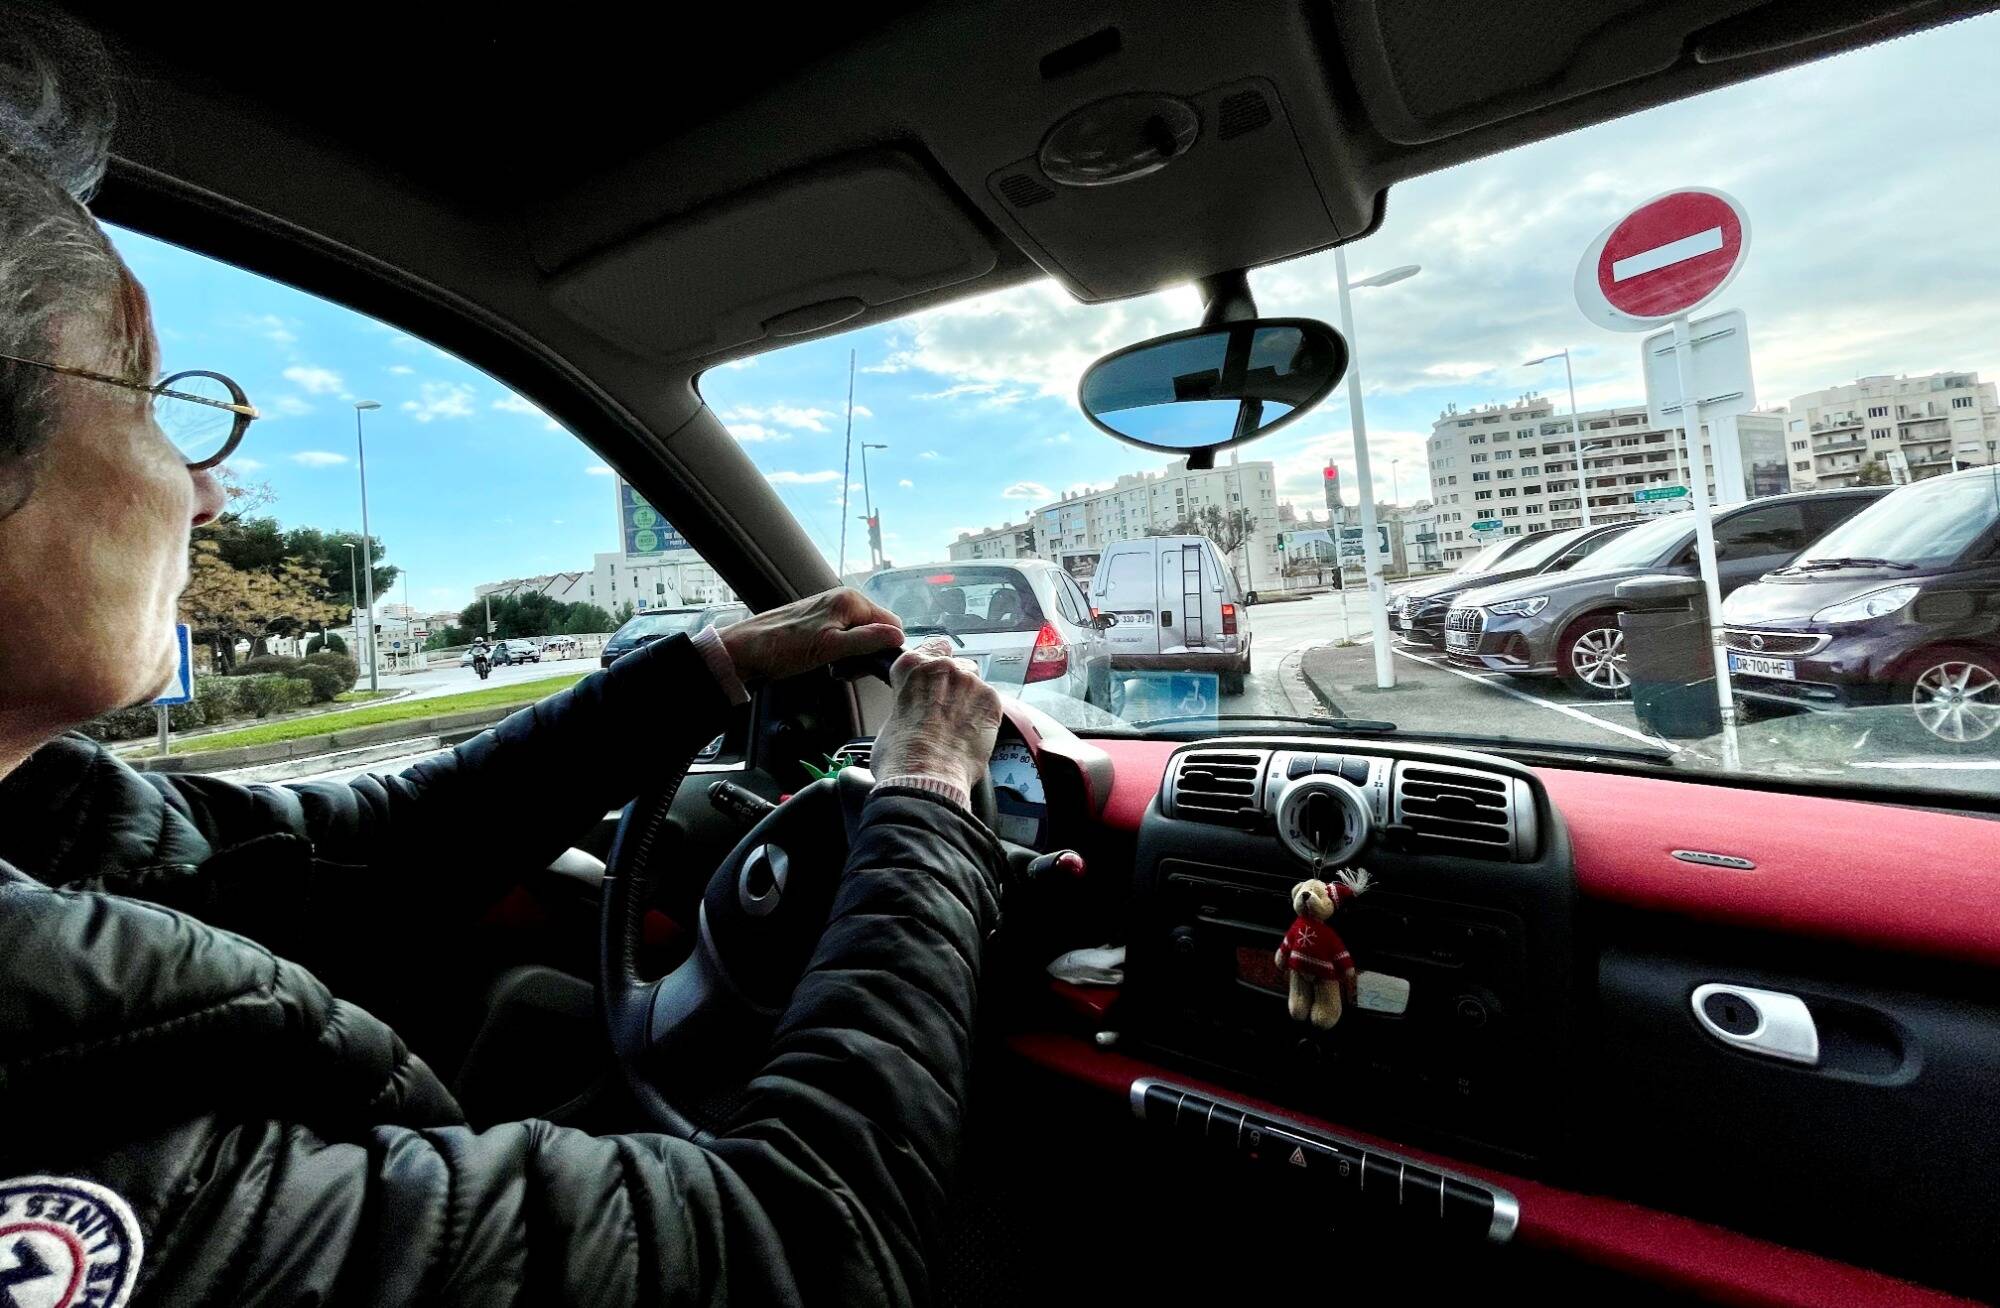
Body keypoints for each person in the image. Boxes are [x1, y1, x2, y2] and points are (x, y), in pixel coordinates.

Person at [0, 10, 1003, 1306]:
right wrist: (925, 801)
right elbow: (801, 1245)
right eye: (144, 394)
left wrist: (715, 663)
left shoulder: (43, 817)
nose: (207, 496)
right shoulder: (85, 1191)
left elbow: (368, 855)